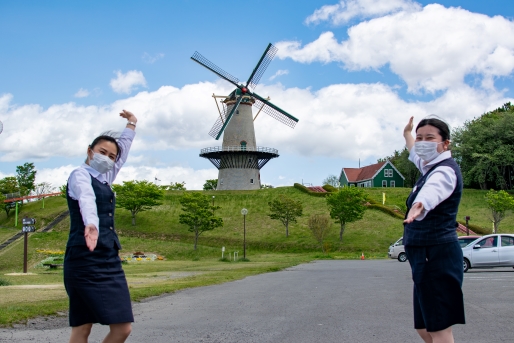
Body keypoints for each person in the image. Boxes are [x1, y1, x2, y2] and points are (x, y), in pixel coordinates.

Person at [63, 110, 138, 343]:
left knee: (123, 328)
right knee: (82, 327)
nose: (107, 158)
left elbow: (123, 151)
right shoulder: (80, 175)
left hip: (108, 258)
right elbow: (86, 199)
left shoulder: (106, 176)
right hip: (83, 258)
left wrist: (132, 124)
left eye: (111, 156)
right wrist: (92, 225)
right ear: (90, 151)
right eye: (102, 152)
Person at [403, 116, 465, 343]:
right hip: (423, 256)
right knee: (423, 327)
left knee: (439, 329)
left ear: (445, 143)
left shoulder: (444, 171)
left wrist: (420, 204)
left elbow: (434, 189)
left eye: (430, 138)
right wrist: (407, 134)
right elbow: (413, 152)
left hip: (437, 255)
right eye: (420, 138)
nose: (422, 143)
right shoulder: (429, 166)